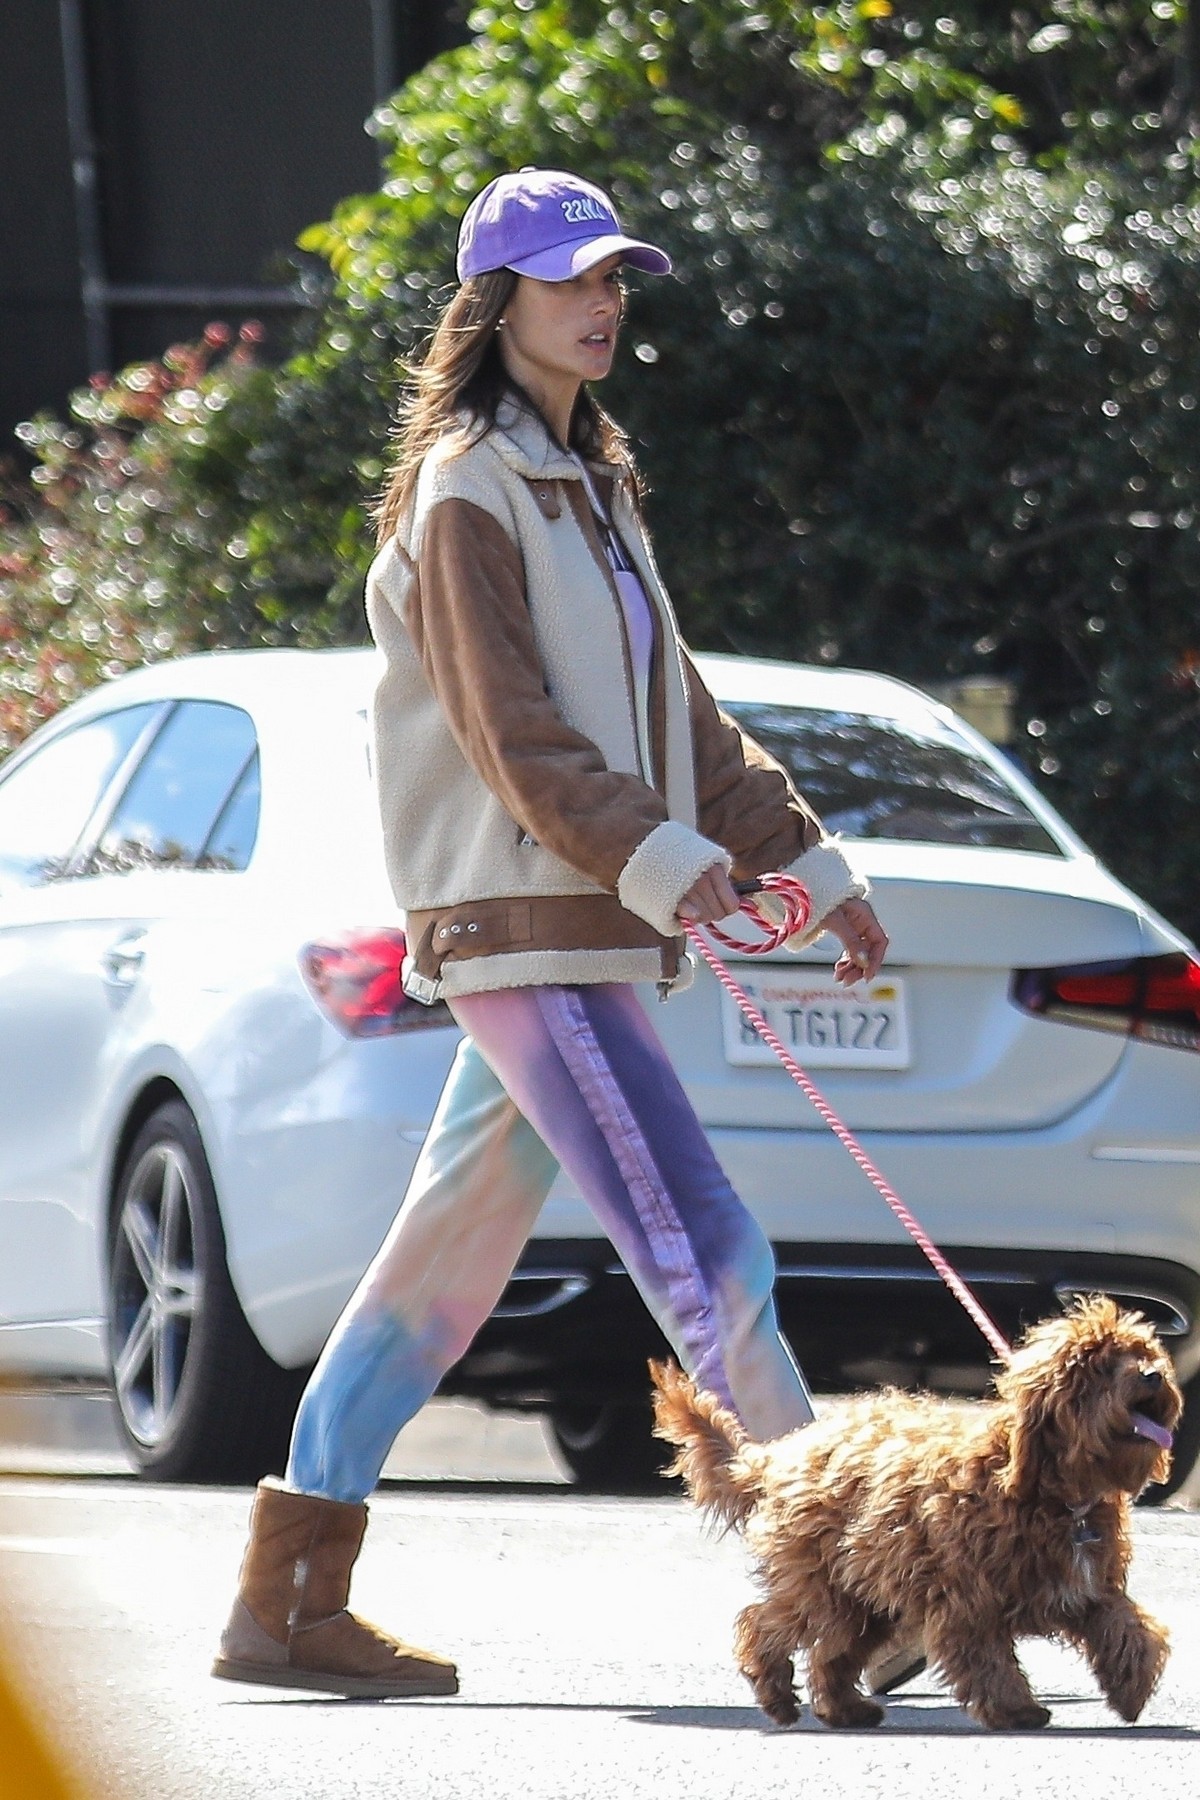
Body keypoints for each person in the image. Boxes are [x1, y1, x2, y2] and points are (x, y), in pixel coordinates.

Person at [212, 168, 889, 1701]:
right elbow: (513, 734)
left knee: (433, 1280)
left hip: (576, 919)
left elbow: (679, 713)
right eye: (572, 280)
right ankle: (848, 1584)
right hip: (529, 927)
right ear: (495, 299)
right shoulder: (466, 489)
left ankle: (289, 1601)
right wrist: (663, 862)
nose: (602, 305)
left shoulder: (592, 483)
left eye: (616, 281)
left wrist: (814, 864)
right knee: (708, 1254)